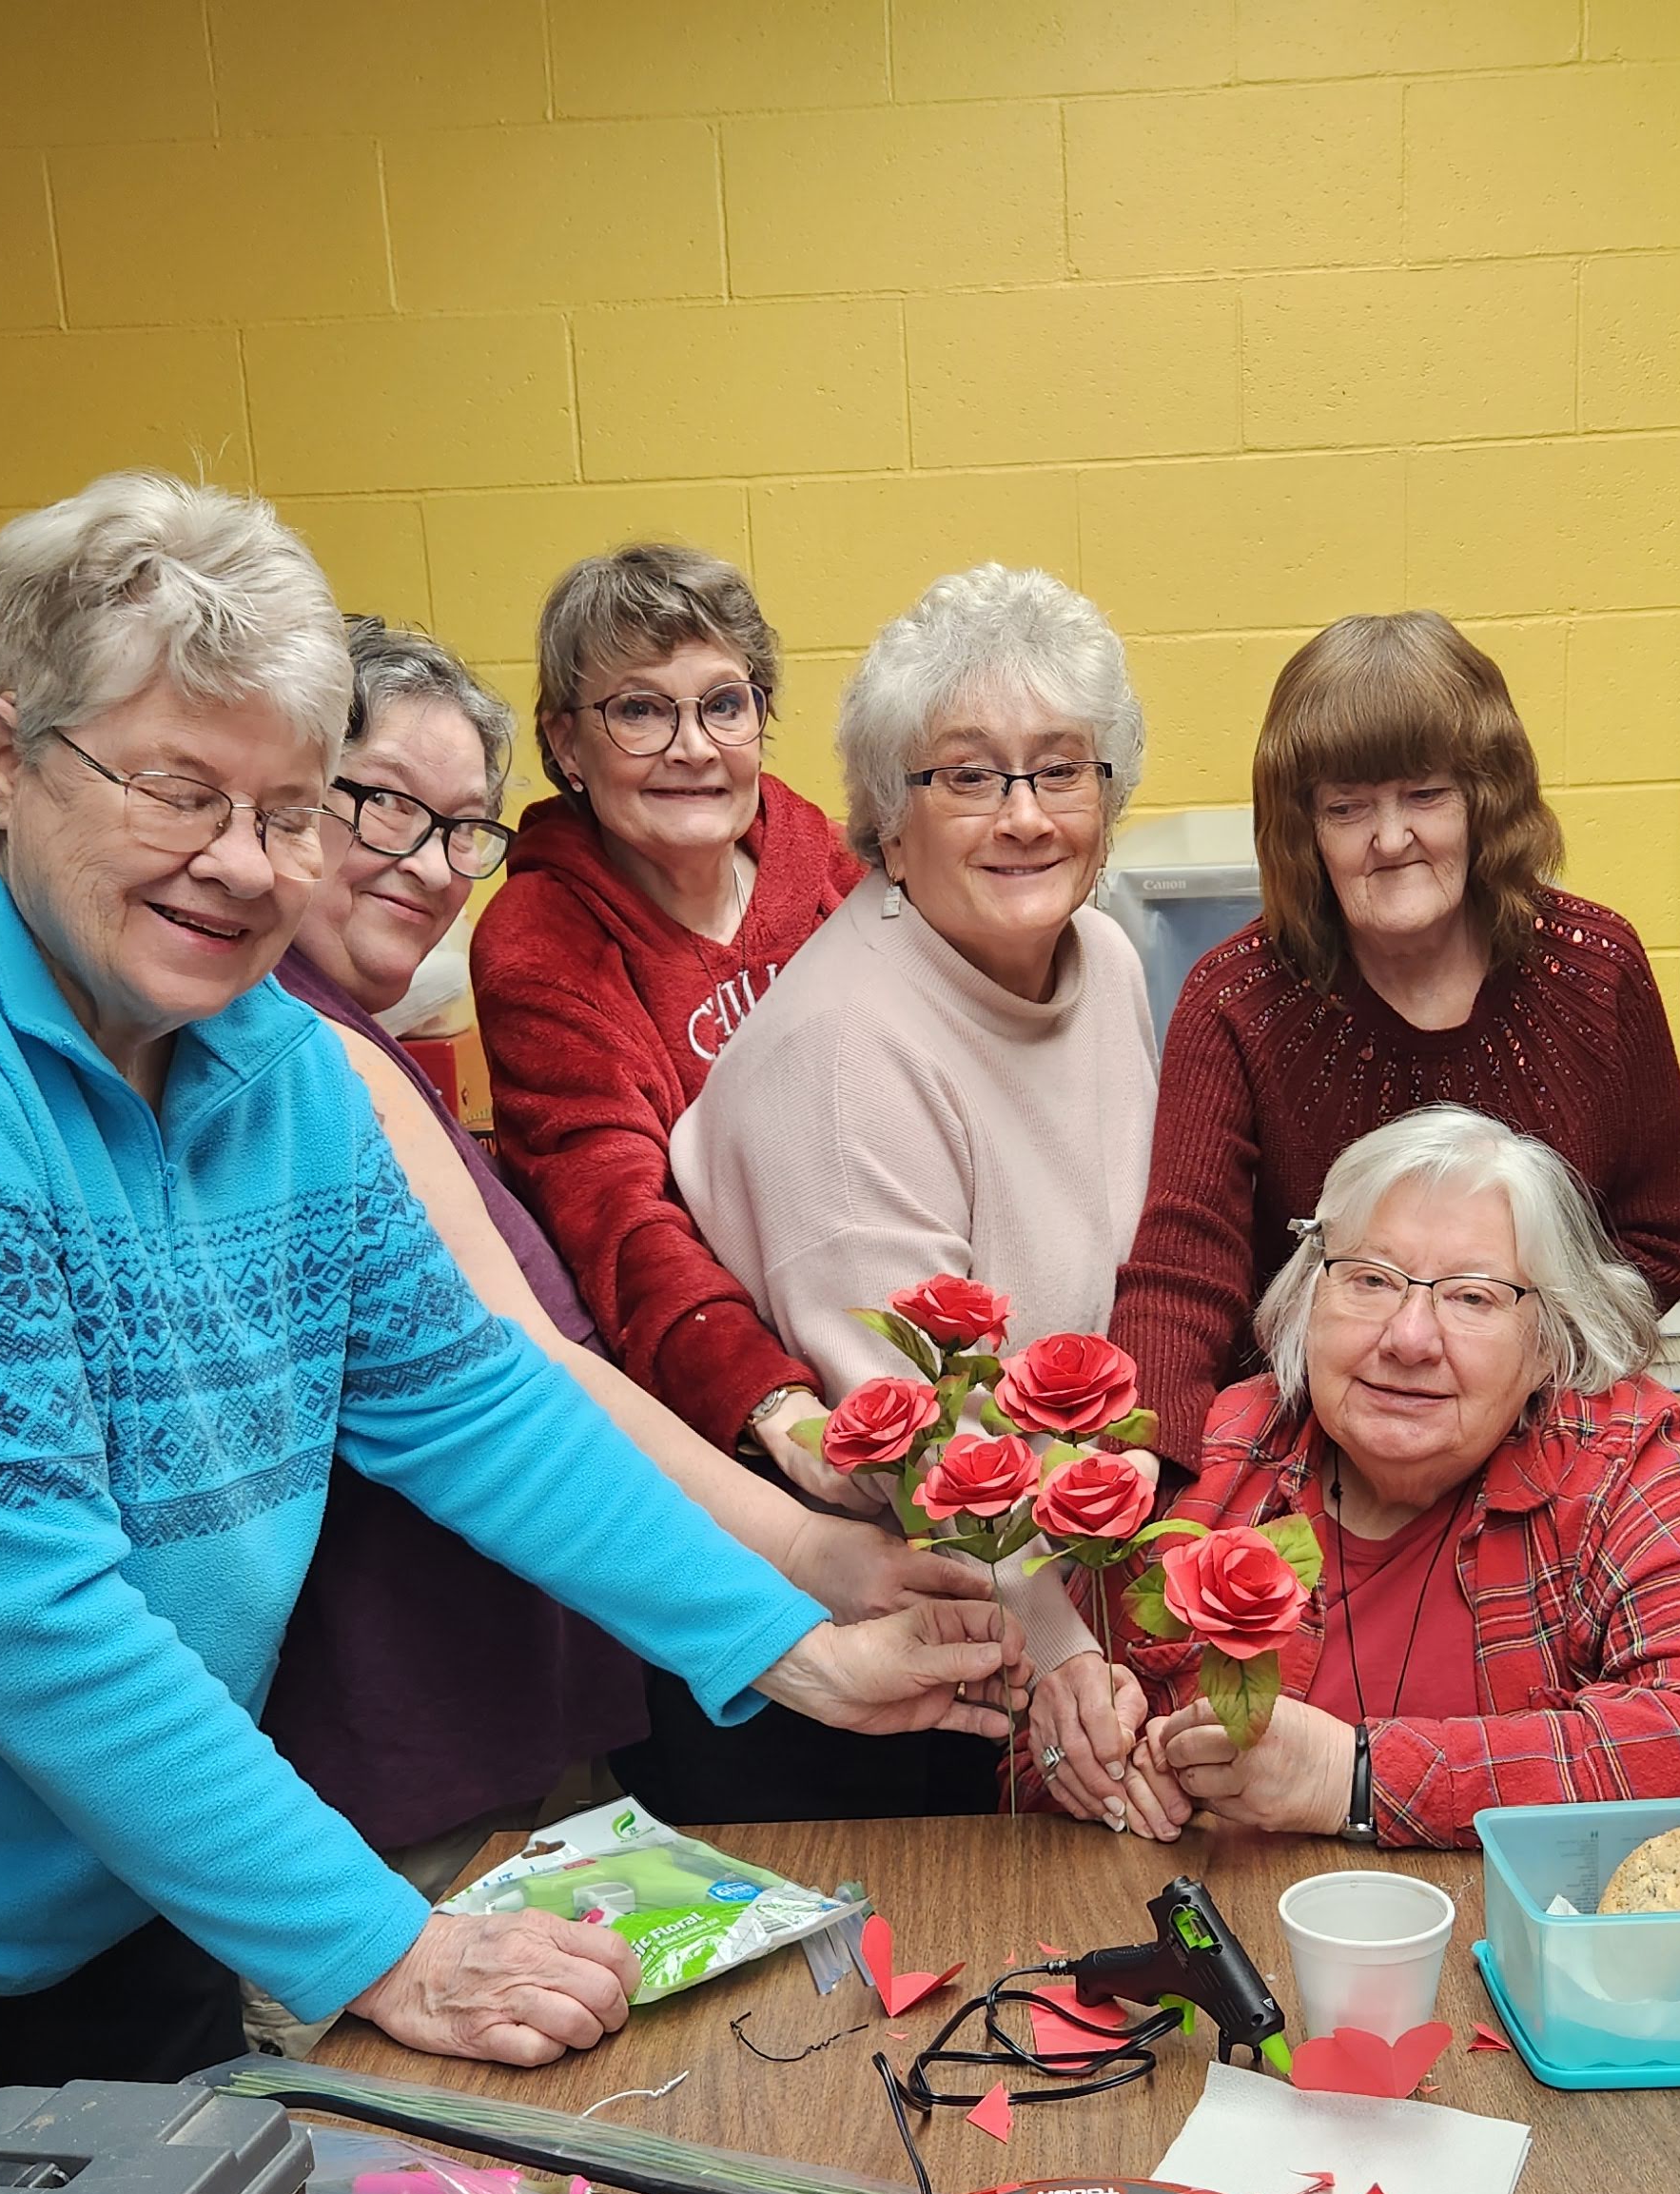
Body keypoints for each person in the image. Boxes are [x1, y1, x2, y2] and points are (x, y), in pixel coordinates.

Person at [0, 476, 1017, 2194]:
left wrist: (790, 1651)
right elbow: (27, 1615)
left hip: (113, 1843)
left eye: (289, 812)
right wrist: (389, 1948)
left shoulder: (271, 1063)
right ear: (6, 758)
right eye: (179, 790)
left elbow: (468, 1395)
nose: (244, 863)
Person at [262, 616, 981, 1922]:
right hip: (406, 1776)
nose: (429, 868)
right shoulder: (316, 1051)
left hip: (529, 1719)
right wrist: (804, 1568)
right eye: (379, 810)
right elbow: (523, 1379)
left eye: (459, 828)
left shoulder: (825, 878)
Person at [668, 564, 1160, 1820]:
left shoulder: (1101, 959)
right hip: (869, 1675)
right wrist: (1079, 1672)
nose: (1024, 816)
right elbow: (929, 1451)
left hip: (1042, 1590)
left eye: (1062, 770)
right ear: (889, 819)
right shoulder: (845, 1049)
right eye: (968, 776)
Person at [1041, 1106, 1680, 1847]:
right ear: (1309, 1301)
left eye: (1472, 1296)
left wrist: (1355, 1778)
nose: (1408, 1338)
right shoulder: (1218, 1454)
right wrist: (1088, 1763)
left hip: (1512, 1951)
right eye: (1370, 1280)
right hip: (1223, 1946)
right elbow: (1039, 1748)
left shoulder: (1633, 1457)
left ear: (1548, 1344)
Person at [1109, 612, 1680, 1466]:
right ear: (1306, 831)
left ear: (1485, 801)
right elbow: (1184, 1270)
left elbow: (1659, 1235)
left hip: (1541, 1426)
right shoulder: (1233, 1002)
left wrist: (1494, 1383)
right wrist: (1148, 1463)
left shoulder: (1596, 971)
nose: (1390, 839)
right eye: (1347, 807)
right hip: (1312, 1443)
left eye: (1425, 795)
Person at [467, 542, 865, 1488]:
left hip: (892, 1339)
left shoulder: (837, 874)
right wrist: (777, 1412)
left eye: (723, 704)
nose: (691, 748)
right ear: (566, 745)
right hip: (726, 1413)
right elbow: (615, 1211)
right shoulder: (538, 942)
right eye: (640, 710)